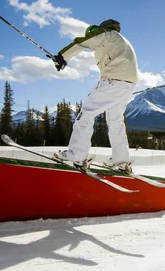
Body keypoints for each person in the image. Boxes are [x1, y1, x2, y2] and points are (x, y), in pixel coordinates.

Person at [50, 19, 138, 173]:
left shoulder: (107, 35)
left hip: (113, 81)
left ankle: (76, 154)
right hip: (127, 84)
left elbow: (82, 43)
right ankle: (122, 161)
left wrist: (62, 57)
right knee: (115, 119)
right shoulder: (122, 41)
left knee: (87, 113)